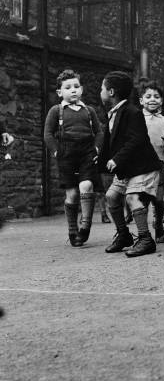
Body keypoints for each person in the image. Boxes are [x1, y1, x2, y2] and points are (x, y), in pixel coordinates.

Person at [98, 71, 162, 257]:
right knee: (111, 196)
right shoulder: (113, 113)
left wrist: (116, 159)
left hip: (144, 167)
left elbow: (137, 139)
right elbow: (111, 142)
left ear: (111, 92)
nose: (99, 92)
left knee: (132, 198)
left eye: (102, 88)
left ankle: (145, 239)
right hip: (128, 168)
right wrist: (101, 161)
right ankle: (124, 236)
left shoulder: (132, 112)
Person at [44, 69, 104, 247]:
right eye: (68, 87)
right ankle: (72, 229)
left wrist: (97, 149)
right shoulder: (56, 111)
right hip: (66, 154)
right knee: (72, 194)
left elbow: (99, 132)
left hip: (86, 152)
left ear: (82, 89)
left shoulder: (89, 111)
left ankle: (85, 225)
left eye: (76, 86)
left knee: (87, 185)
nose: (73, 90)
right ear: (59, 92)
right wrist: (56, 151)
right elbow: (48, 134)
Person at [139, 81, 164, 243]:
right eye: (148, 96)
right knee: (143, 200)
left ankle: (158, 224)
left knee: (158, 200)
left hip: (158, 164)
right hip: (141, 165)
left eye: (156, 96)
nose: (152, 99)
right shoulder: (137, 118)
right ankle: (144, 233)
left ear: (161, 101)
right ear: (141, 100)